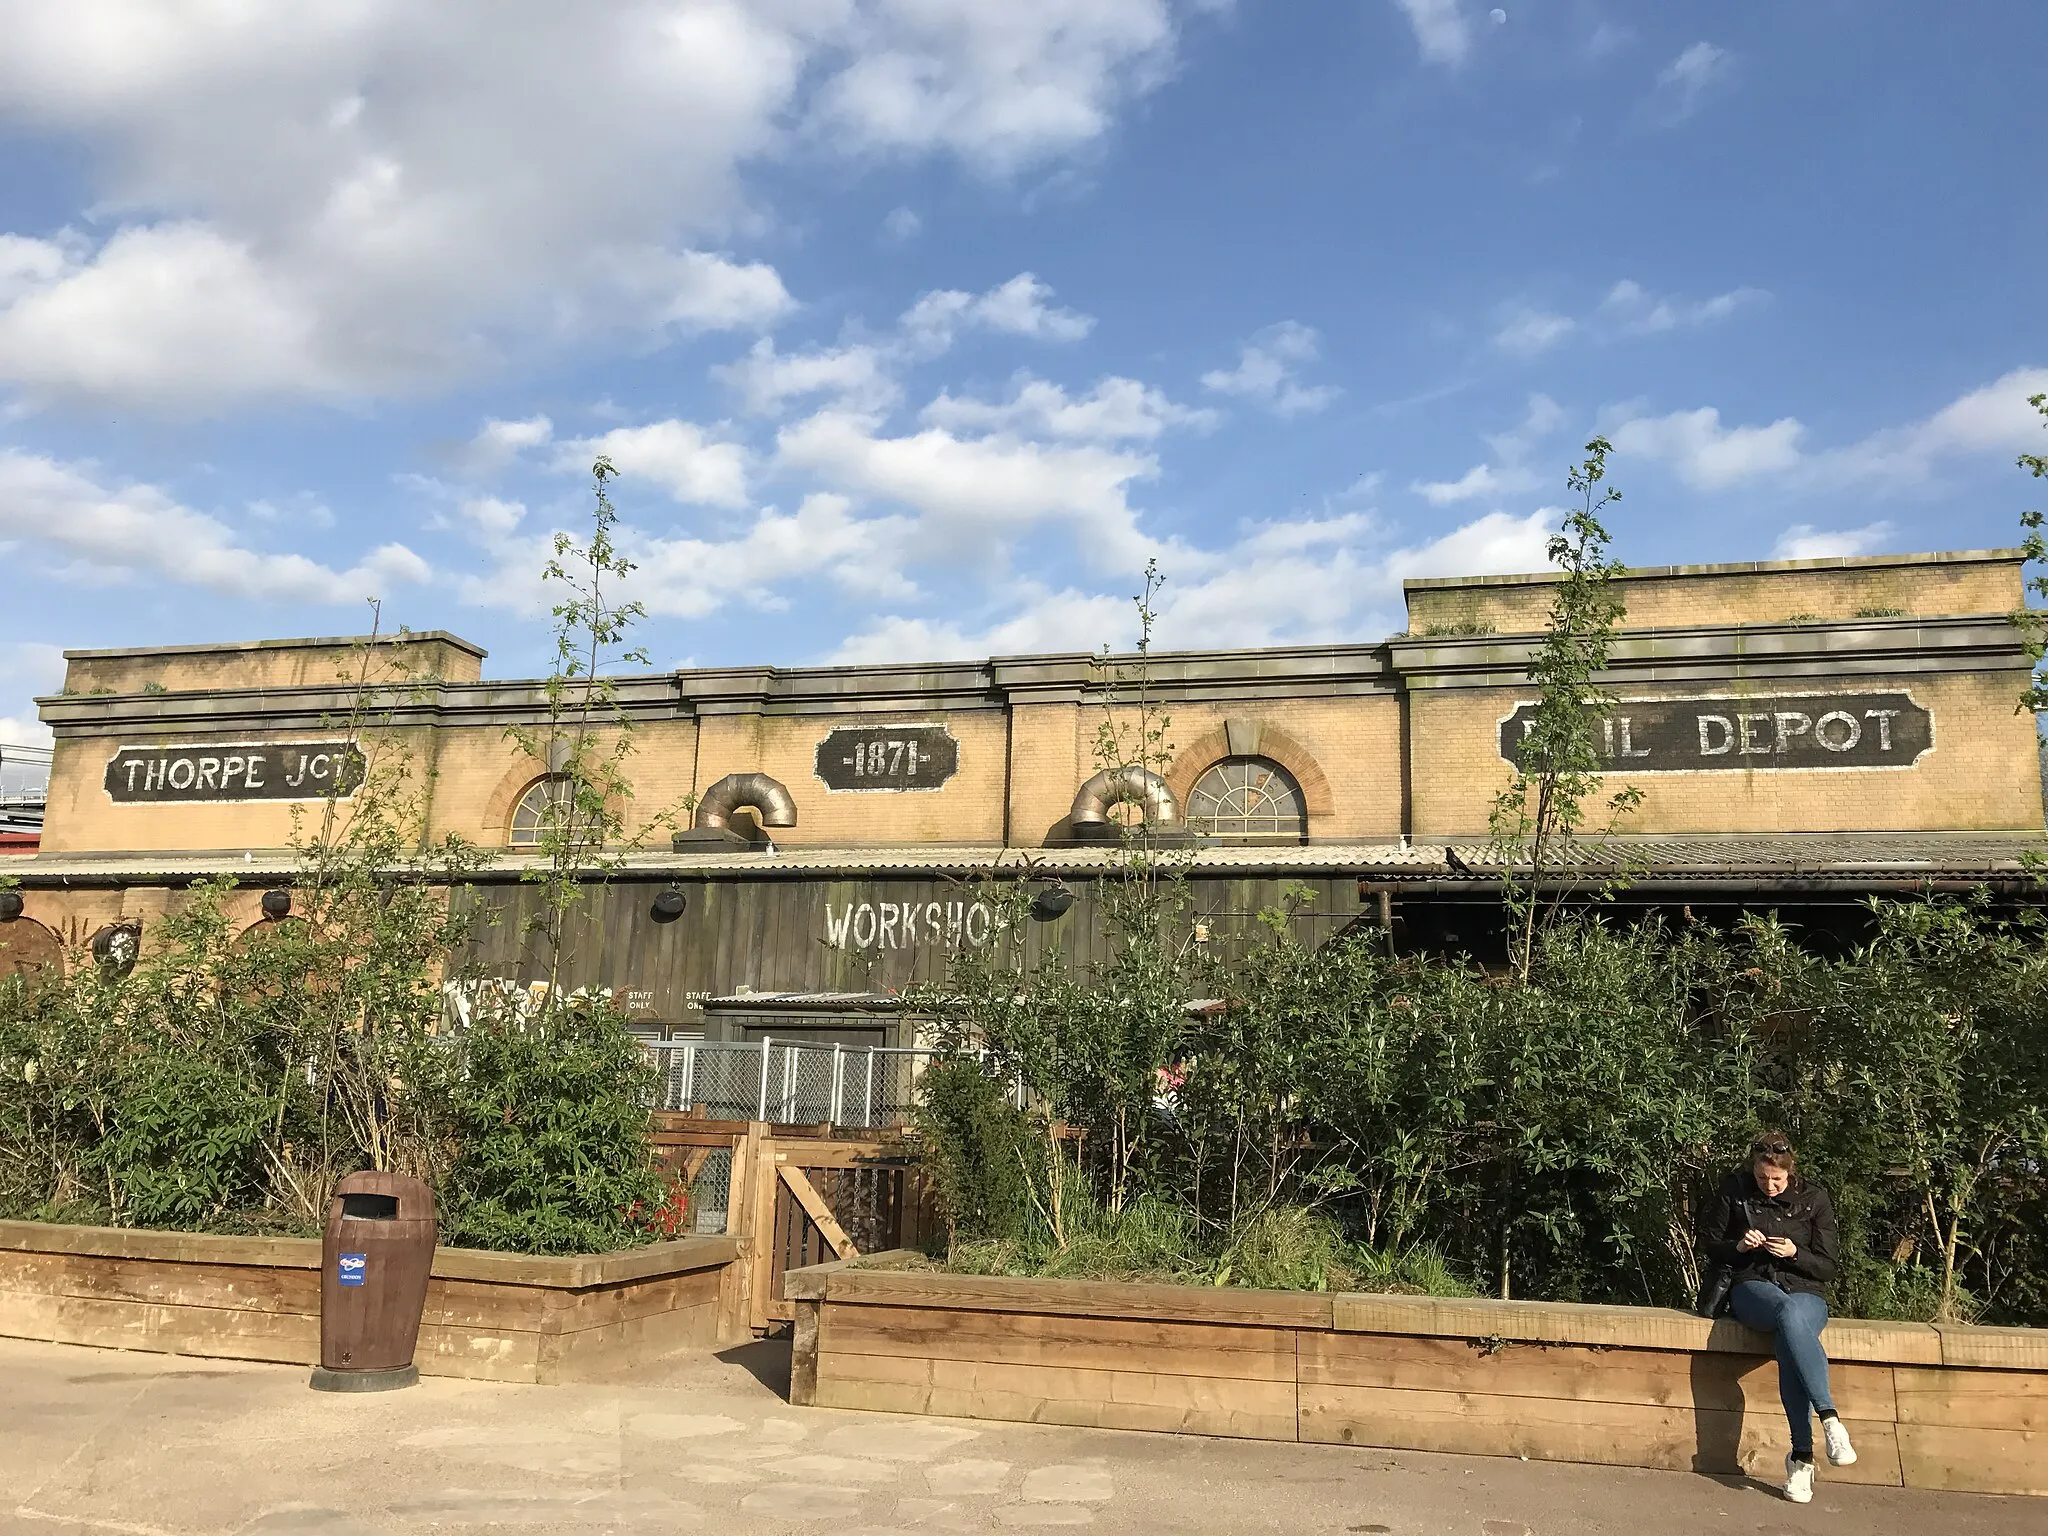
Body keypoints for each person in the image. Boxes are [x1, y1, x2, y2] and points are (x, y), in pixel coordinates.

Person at [1699, 1133, 1855, 1503]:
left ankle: (1801, 1457)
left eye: (1776, 1180)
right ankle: (1830, 1419)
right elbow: (1709, 1244)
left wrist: (1795, 1252)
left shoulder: (1814, 1198)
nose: (1768, 1186)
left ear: (1790, 1173)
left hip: (1805, 1291)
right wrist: (1738, 1247)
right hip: (1753, 1286)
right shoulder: (1734, 1190)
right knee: (1786, 1315)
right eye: (1762, 1178)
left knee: (1791, 1333)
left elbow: (1828, 1266)